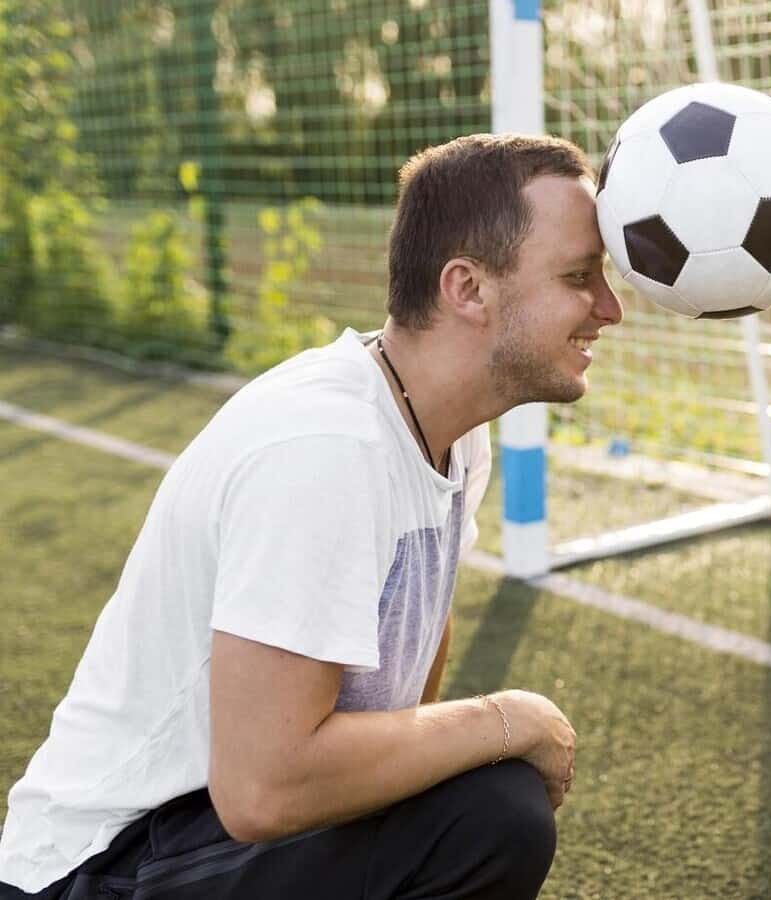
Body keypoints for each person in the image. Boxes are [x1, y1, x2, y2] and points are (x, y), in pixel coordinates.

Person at [0, 133, 623, 899]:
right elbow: (264, 790)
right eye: (577, 277)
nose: (610, 309)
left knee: (467, 802)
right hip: (96, 868)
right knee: (492, 816)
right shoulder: (326, 449)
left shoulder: (450, 431)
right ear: (467, 288)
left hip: (198, 837)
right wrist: (509, 719)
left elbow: (408, 670)